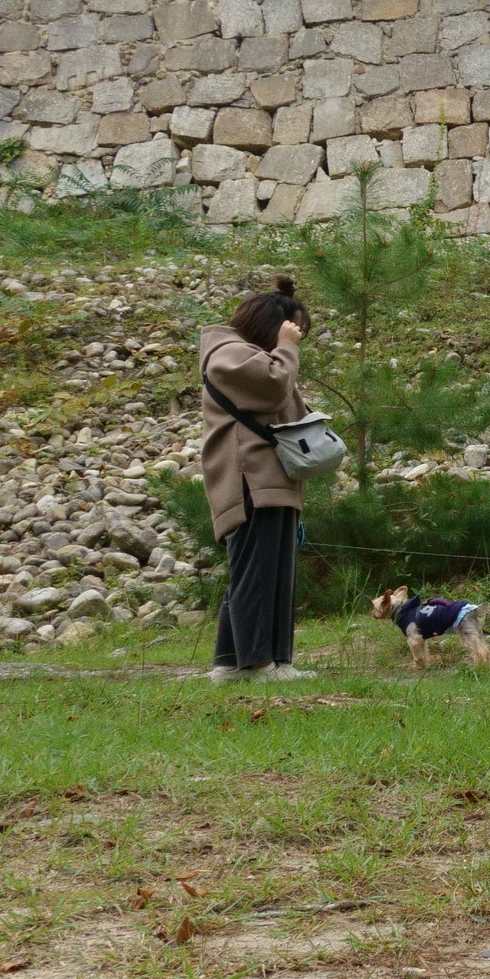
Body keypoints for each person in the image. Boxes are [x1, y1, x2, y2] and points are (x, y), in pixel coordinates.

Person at [198, 277, 318, 683]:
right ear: (273, 325)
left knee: (267, 570)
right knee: (258, 572)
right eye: (293, 329)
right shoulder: (228, 354)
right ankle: (258, 665)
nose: (295, 340)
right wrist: (287, 346)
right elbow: (273, 387)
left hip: (270, 478)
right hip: (250, 479)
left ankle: (236, 664)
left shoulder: (246, 355)